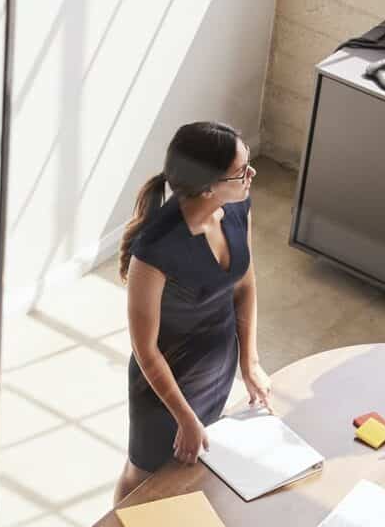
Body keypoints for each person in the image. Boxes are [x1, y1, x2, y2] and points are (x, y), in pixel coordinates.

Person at [115, 121, 272, 504]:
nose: (251, 175)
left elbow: (244, 284)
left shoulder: (236, 206)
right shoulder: (154, 250)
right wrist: (184, 416)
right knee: (143, 473)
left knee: (188, 476)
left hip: (217, 370)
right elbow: (145, 350)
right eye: (241, 171)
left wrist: (249, 363)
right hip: (164, 388)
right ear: (207, 185)